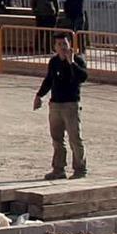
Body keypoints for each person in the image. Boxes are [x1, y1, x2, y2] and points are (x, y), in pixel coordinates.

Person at [33, 31, 88, 180]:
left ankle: (80, 169)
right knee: (57, 139)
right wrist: (39, 96)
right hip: (55, 105)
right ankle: (58, 169)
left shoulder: (77, 61)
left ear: (70, 44)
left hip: (71, 105)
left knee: (75, 139)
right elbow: (49, 80)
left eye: (65, 43)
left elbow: (82, 77)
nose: (62, 47)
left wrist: (71, 63)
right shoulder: (54, 62)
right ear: (54, 47)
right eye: (59, 44)